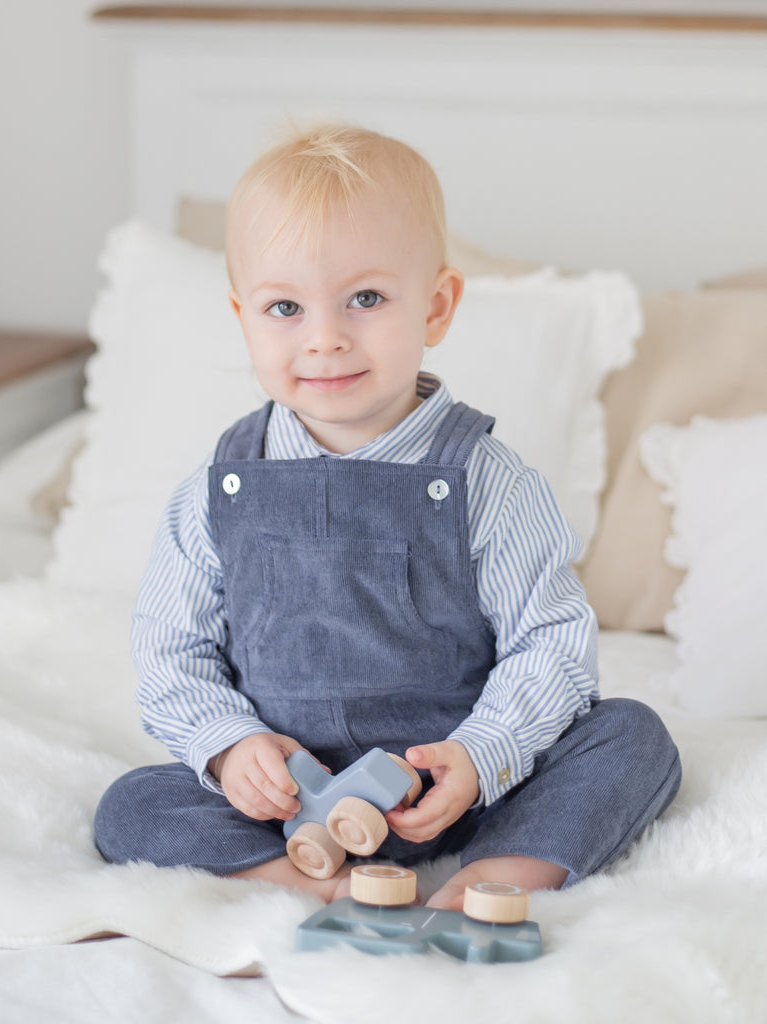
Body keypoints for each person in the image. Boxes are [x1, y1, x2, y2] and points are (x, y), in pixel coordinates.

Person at [94, 124, 681, 910]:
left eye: (365, 298)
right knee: (131, 804)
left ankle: (491, 878)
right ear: (242, 317)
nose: (326, 338)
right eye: (284, 307)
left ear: (435, 306)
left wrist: (481, 755)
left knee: (632, 737)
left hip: (456, 788)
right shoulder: (218, 487)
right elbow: (171, 649)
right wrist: (230, 749)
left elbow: (551, 646)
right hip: (287, 804)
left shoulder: (486, 482)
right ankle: (314, 884)